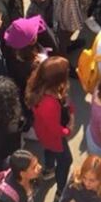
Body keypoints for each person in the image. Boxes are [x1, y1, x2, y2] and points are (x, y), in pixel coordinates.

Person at [27, 56, 74, 190]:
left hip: (43, 132)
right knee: (66, 160)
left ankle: (49, 169)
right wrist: (69, 129)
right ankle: (61, 190)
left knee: (49, 150)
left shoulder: (39, 87)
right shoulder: (48, 103)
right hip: (54, 138)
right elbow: (55, 129)